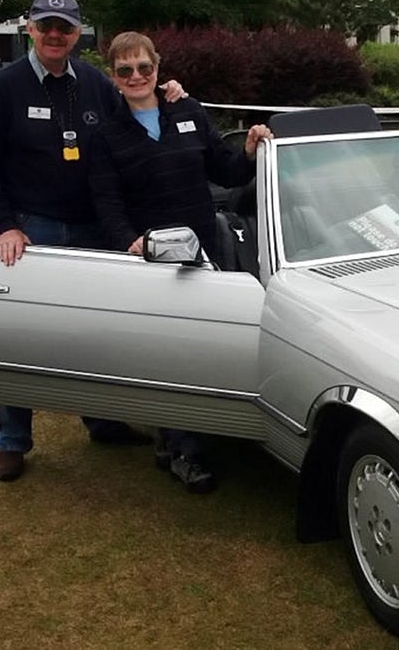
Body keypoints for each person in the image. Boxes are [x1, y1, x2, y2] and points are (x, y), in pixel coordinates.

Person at [0, 0, 186, 482]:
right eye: (45, 25)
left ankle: (103, 421)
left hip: (94, 227)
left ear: (76, 33)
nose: (54, 35)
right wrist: (4, 226)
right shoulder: (3, 88)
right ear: (30, 29)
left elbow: (135, 126)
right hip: (34, 229)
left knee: (97, 331)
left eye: (63, 27)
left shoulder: (95, 83)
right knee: (21, 334)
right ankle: (13, 441)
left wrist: (172, 99)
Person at [89, 31, 272, 492]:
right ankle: (182, 449)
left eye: (144, 68)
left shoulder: (187, 111)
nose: (136, 77)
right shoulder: (107, 134)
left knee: (204, 345)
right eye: (125, 70)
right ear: (113, 78)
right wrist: (130, 242)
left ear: (158, 67)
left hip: (203, 251)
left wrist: (250, 149)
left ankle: (187, 437)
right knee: (167, 353)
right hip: (152, 259)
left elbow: (227, 171)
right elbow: (106, 204)